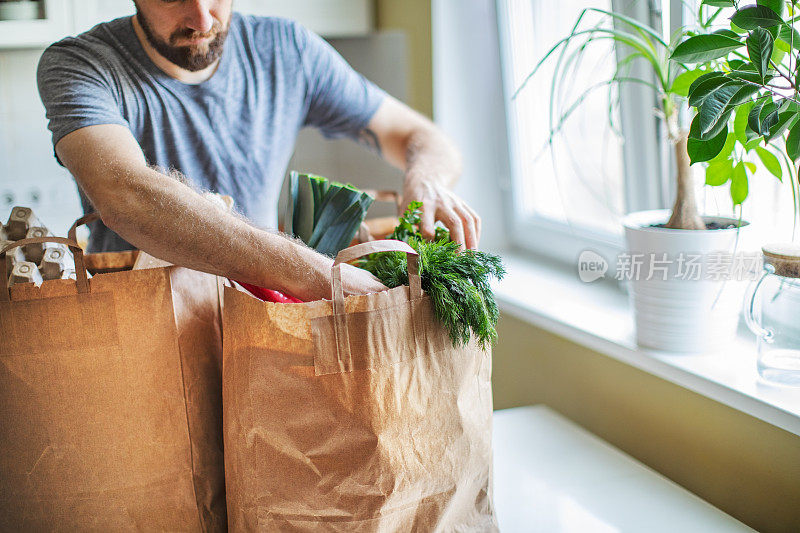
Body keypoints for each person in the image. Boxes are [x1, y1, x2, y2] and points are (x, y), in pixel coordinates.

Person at [37, 0, 480, 301]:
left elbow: (421, 137)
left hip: (266, 317)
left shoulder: (287, 50)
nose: (202, 19)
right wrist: (320, 275)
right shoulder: (80, 64)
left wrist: (426, 179)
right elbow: (124, 195)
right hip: (140, 331)